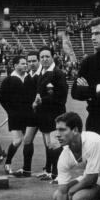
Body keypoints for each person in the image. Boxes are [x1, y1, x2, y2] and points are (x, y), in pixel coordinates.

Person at [33, 46, 67, 181]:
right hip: (45, 116)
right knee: (49, 145)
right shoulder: (43, 72)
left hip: (55, 115)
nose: (44, 59)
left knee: (55, 146)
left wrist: (42, 100)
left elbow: (62, 96)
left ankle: (58, 174)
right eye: (42, 57)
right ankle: (49, 171)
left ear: (52, 57)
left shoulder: (58, 73)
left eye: (47, 56)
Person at [0, 56, 32, 175]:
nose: (25, 65)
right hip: (15, 116)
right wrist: (10, 111)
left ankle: (27, 168)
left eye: (25, 63)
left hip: (28, 114)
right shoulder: (9, 80)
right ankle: (7, 163)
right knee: (17, 141)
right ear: (15, 65)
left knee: (28, 140)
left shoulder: (29, 77)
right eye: (22, 63)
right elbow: (1, 98)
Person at [12, 51, 40, 177]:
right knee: (27, 140)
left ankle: (51, 171)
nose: (31, 63)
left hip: (44, 113)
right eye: (29, 61)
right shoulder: (29, 77)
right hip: (32, 115)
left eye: (34, 61)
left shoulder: (43, 75)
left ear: (38, 61)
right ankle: (27, 170)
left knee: (50, 143)